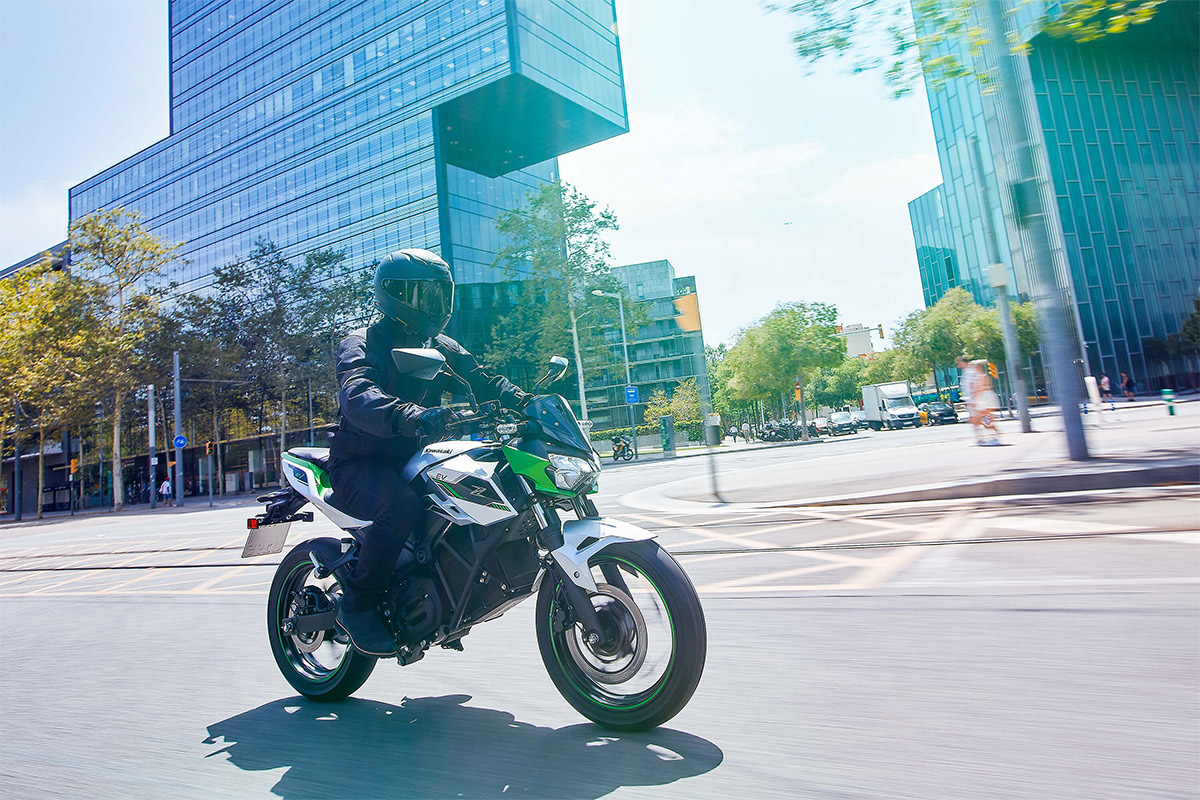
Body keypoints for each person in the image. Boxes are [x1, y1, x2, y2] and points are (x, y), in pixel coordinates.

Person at [328, 249, 530, 657]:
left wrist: (525, 401)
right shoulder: (362, 343)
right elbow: (358, 395)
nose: (436, 306)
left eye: (441, 295)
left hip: (418, 457)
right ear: (395, 294)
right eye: (426, 295)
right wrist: (411, 416)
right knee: (399, 507)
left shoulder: (441, 346)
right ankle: (358, 604)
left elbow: (482, 380)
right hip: (362, 462)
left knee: (489, 490)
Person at [972, 360, 1001, 446]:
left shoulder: (982, 376)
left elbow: (980, 388)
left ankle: (994, 437)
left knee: (987, 418)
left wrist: (975, 399)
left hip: (985, 399)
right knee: (983, 419)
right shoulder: (980, 376)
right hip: (983, 399)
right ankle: (992, 436)